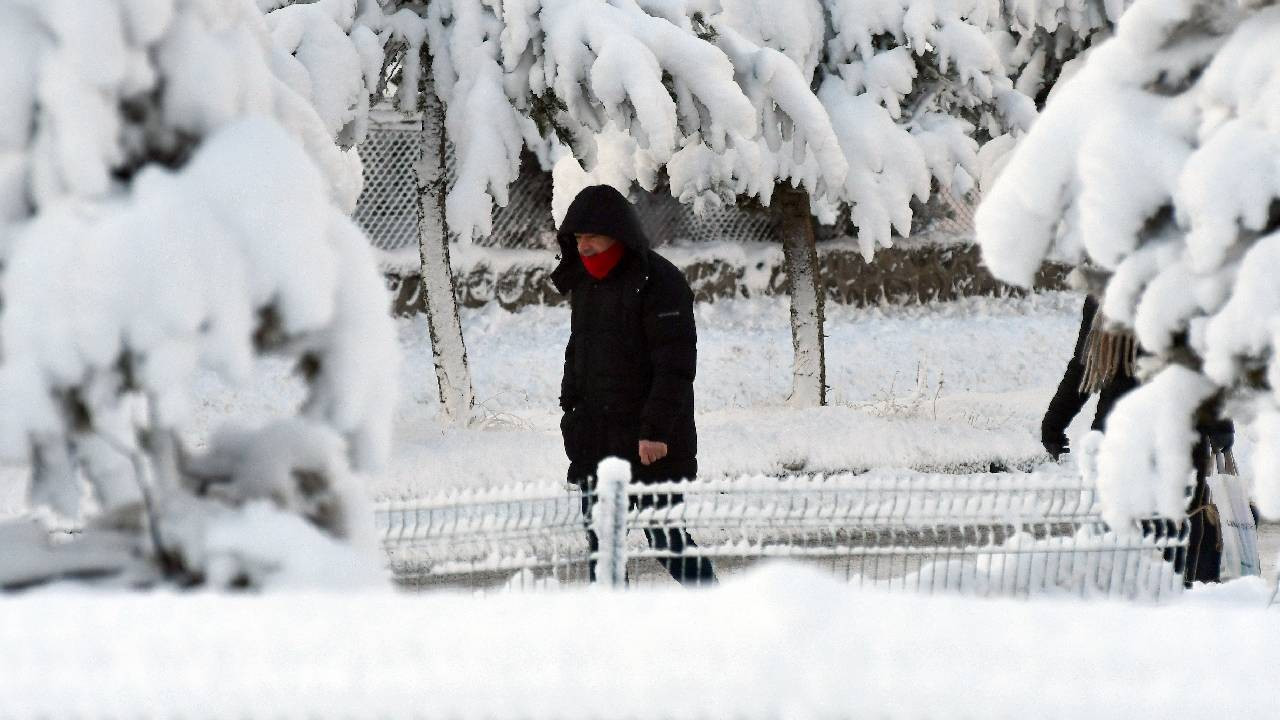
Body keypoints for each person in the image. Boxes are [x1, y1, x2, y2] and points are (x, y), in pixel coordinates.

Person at [550, 184, 716, 587]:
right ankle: (612, 635)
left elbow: (675, 364)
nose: (584, 246)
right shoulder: (585, 282)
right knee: (603, 546)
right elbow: (580, 352)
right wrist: (571, 410)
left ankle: (718, 611)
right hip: (597, 439)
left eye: (592, 236)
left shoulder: (659, 282)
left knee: (665, 538)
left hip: (650, 445)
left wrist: (656, 431)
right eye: (577, 238)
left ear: (617, 232)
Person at [1042, 292, 1232, 584]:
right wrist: (1219, 427)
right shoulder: (1182, 290)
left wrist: (1055, 422)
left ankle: (1124, 604)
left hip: (1119, 435)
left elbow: (1084, 367)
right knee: (1183, 533)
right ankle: (1192, 601)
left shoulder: (1106, 296)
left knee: (1119, 536)